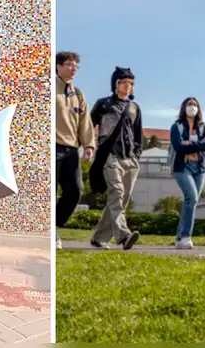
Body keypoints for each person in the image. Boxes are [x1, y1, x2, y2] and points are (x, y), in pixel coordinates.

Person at [88, 67, 143, 250]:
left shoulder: (134, 108)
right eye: (124, 82)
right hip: (109, 155)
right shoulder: (103, 104)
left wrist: (136, 155)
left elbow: (138, 135)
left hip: (130, 158)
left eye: (131, 83)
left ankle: (98, 238)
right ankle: (124, 236)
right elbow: (88, 126)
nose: (128, 86)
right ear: (116, 83)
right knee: (117, 192)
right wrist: (89, 146)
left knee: (121, 198)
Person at [54, 51, 95, 250]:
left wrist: (89, 146)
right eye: (69, 64)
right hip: (52, 147)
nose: (73, 69)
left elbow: (85, 122)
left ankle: (53, 226)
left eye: (76, 66)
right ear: (58, 66)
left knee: (75, 191)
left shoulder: (78, 94)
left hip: (71, 150)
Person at [169, 97, 205, 249]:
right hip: (182, 167)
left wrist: (189, 143)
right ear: (184, 107)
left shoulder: (203, 127)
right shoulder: (176, 127)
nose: (192, 107)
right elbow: (178, 146)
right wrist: (199, 144)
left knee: (191, 202)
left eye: (195, 104)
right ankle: (186, 236)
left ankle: (179, 237)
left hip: (199, 169)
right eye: (189, 104)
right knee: (192, 198)